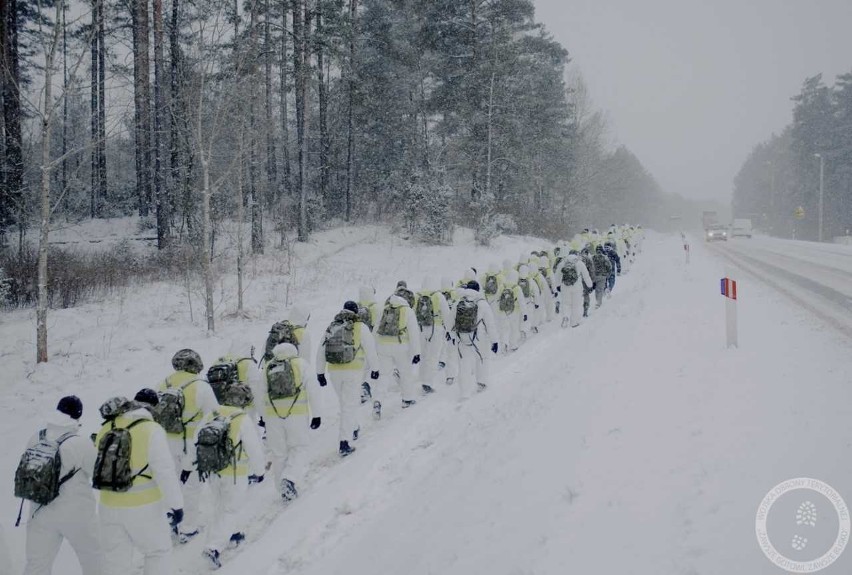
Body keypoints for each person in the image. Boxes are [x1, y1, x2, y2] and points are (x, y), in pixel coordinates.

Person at [94, 397, 183, 575]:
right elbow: (164, 471)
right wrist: (176, 505)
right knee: (157, 553)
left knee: (115, 560)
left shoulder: (105, 428)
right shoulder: (151, 429)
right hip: (144, 507)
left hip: (107, 506)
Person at [18, 396, 102, 575]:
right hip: (76, 513)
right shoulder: (80, 442)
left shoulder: (37, 437)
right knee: (93, 559)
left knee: (37, 565)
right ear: (77, 416)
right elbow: (98, 473)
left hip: (39, 511)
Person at [157, 348, 219, 541]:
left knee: (171, 484)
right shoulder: (200, 385)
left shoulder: (164, 383)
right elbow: (214, 415)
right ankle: (187, 527)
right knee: (192, 487)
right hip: (191, 445)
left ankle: (171, 522)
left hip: (167, 442)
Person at [193, 405, 266, 569]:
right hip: (235, 472)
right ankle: (213, 548)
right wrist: (260, 471)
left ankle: (234, 533)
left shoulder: (212, 413)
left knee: (221, 505)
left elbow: (196, 438)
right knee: (231, 508)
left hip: (213, 470)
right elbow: (254, 448)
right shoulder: (242, 419)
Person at [251, 342, 320, 497]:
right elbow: (313, 389)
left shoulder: (268, 367)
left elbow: (260, 393)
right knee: (300, 447)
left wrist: (263, 417)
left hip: (273, 417)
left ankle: (283, 491)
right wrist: (317, 414)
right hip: (296, 415)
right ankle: (289, 479)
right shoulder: (300, 364)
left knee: (279, 453)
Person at [317, 302, 380, 456]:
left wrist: (320, 373)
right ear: (355, 312)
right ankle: (344, 442)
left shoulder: (332, 326)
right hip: (353, 371)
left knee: (346, 404)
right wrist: (375, 369)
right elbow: (370, 349)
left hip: (334, 373)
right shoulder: (360, 327)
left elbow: (321, 350)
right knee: (349, 405)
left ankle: (353, 427)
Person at [375, 288, 421, 409]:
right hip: (400, 347)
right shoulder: (408, 311)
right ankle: (407, 399)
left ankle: (378, 400)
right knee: (405, 373)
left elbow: (376, 329)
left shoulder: (384, 308)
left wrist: (376, 348)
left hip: (382, 346)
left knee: (384, 375)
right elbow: (414, 334)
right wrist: (416, 353)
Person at [451, 281, 499, 397]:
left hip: (462, 337)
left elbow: (449, 322)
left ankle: (464, 392)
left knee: (464, 363)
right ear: (478, 290)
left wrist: (452, 336)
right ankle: (481, 382)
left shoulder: (458, 302)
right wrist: (494, 341)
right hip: (479, 337)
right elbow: (490, 324)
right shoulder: (482, 303)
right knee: (482, 358)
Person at [415, 278, 452, 393]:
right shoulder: (438, 296)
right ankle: (428, 382)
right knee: (433, 356)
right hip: (435, 328)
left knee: (424, 354)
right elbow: (446, 314)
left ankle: (421, 376)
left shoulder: (417, 295)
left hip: (420, 328)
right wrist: (449, 330)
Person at [556, 251, 593, 328]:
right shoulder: (580, 263)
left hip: (565, 286)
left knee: (566, 303)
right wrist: (590, 285)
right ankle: (574, 322)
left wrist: (558, 285)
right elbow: (586, 275)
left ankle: (565, 316)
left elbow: (557, 275)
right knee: (576, 305)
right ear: (576, 255)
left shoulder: (563, 263)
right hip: (577, 287)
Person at [493, 269, 527, 353]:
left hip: (502, 311)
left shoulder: (502, 286)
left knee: (504, 329)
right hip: (514, 312)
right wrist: (525, 313)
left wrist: (497, 310)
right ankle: (513, 345)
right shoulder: (517, 288)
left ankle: (504, 344)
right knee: (513, 329)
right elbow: (521, 302)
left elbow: (496, 299)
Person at [438, 277, 460, 386]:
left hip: (440, 326)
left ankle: (441, 362)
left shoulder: (437, 295)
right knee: (453, 351)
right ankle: (451, 375)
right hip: (453, 327)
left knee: (442, 346)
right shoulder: (456, 294)